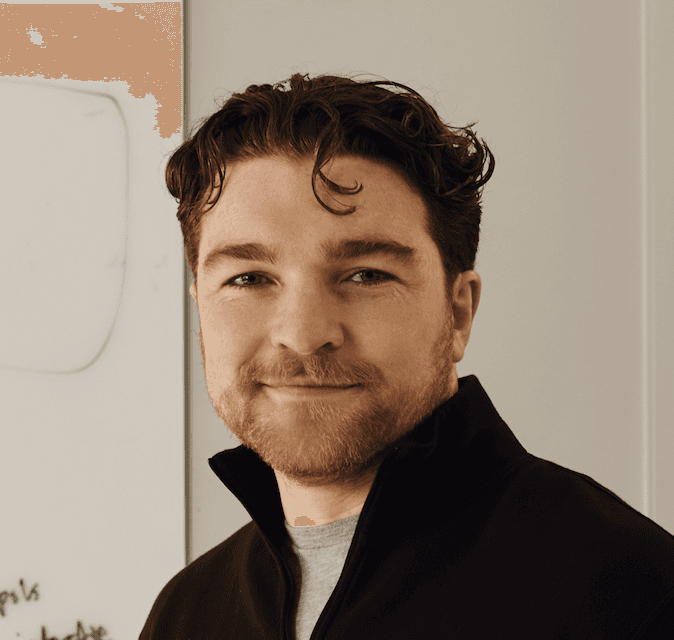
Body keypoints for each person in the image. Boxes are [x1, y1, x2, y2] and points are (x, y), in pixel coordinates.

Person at [140, 73, 674, 639]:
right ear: (200, 305)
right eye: (248, 278)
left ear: (458, 312)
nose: (303, 334)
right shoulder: (184, 614)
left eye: (367, 275)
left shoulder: (632, 592)